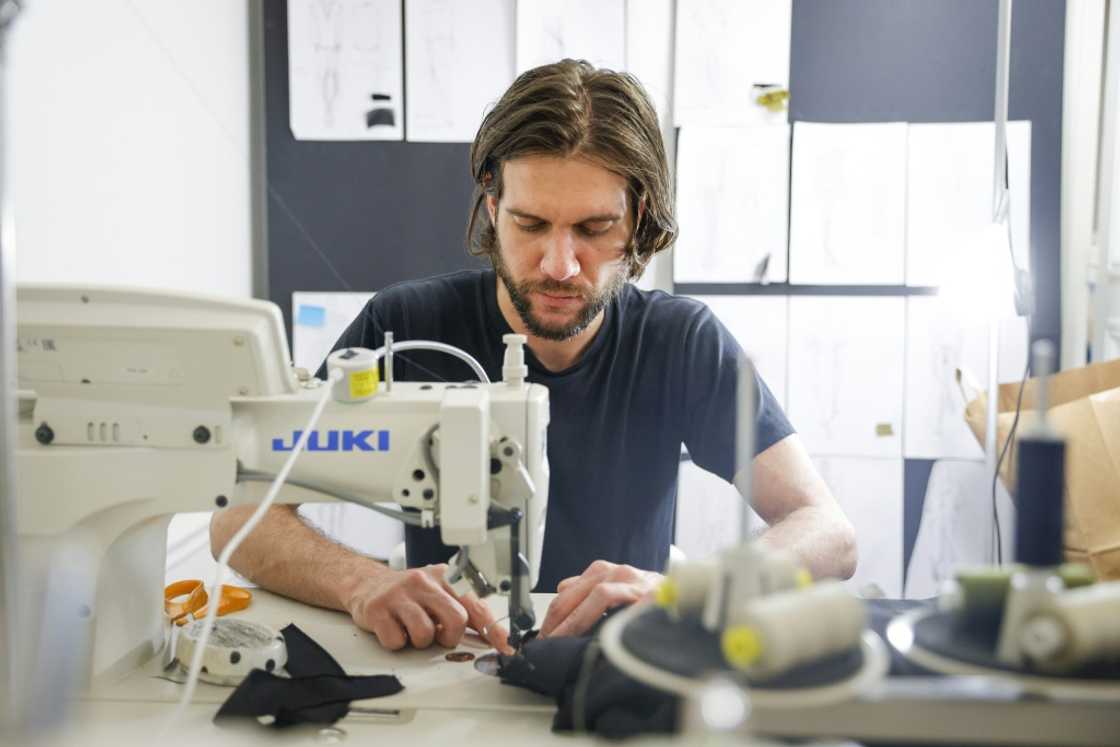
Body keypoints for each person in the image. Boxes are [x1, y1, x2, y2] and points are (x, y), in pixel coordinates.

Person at [210, 59, 856, 655]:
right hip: (450, 660)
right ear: (492, 208)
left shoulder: (681, 342)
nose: (559, 264)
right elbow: (239, 518)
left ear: (639, 219)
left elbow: (826, 529)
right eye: (530, 224)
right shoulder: (403, 327)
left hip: (617, 670)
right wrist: (362, 580)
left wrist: (683, 592)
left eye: (594, 229)